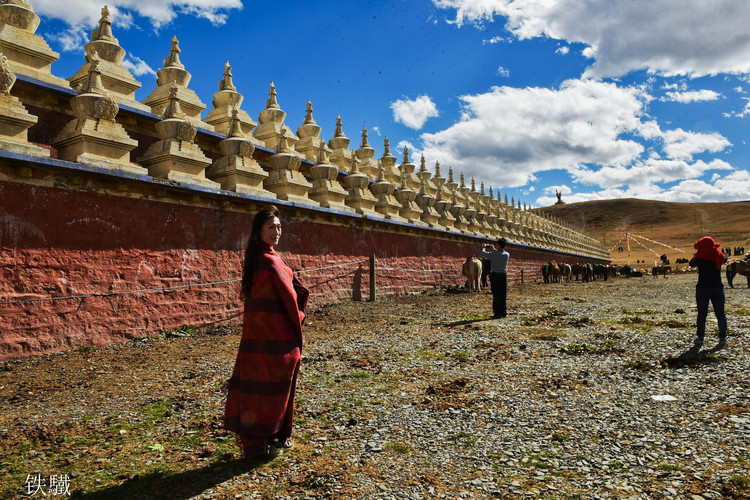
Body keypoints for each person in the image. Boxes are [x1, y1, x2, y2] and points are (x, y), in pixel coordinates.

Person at [224, 205, 309, 459]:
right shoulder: (268, 262)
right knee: (273, 388)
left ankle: (266, 439)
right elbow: (289, 300)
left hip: (258, 341)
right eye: (271, 227)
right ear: (259, 230)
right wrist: (299, 314)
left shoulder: (259, 259)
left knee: (260, 387)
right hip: (274, 340)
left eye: (279, 227)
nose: (276, 232)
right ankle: (273, 438)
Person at [688, 236, 727, 350]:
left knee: (702, 314)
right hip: (717, 288)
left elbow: (691, 263)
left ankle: (700, 337)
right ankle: (722, 337)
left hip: (702, 288)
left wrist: (698, 252)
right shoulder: (719, 255)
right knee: (720, 314)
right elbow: (725, 259)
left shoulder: (699, 257)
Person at [481, 238, 510, 318]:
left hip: (495, 276)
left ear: (499, 245)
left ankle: (497, 313)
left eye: (497, 244)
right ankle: (503, 312)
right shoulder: (507, 254)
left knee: (496, 295)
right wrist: (494, 249)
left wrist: (483, 247)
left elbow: (484, 254)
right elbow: (497, 253)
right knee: (503, 294)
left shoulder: (494, 254)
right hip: (503, 275)